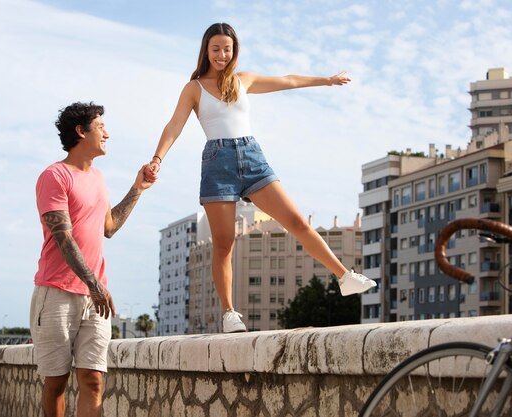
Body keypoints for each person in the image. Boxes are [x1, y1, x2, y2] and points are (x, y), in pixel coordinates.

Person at [144, 23, 376, 333]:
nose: (221, 55)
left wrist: (327, 80)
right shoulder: (194, 88)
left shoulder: (245, 80)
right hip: (217, 163)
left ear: (234, 51)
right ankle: (229, 314)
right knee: (224, 243)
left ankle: (344, 276)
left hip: (252, 157)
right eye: (216, 49)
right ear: (206, 51)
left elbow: (288, 80)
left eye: (227, 49)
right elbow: (174, 125)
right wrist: (158, 158)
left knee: (297, 221)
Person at [30, 102, 155, 417]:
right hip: (56, 292)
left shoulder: (98, 179)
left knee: (94, 379)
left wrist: (137, 188)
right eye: (101, 127)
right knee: (56, 382)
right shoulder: (54, 176)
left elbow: (109, 226)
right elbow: (63, 237)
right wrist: (94, 283)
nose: (107, 134)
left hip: (95, 296)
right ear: (81, 131)